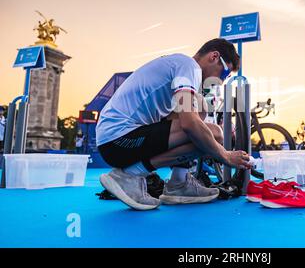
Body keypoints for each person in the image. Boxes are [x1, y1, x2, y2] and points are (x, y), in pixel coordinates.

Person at [96, 38, 251, 210]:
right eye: (224, 74)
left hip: (115, 140)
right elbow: (189, 124)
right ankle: (129, 175)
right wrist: (225, 155)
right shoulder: (189, 66)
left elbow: (190, 115)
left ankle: (179, 182)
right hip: (117, 141)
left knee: (200, 106)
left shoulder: (179, 66)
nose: (221, 82)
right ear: (214, 57)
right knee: (214, 134)